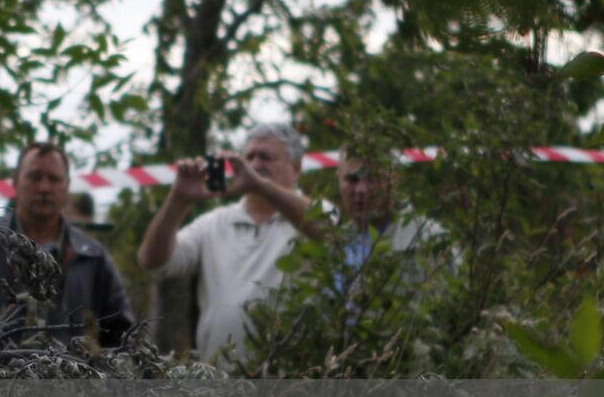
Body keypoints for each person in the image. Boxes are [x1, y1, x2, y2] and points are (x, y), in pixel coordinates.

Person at [0, 142, 135, 356]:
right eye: (35, 177)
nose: (44, 188)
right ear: (15, 182)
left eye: (54, 179)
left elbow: (123, 339)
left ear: (67, 186)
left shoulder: (93, 257)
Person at [137, 123, 316, 361]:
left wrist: (261, 186)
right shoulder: (214, 223)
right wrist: (178, 200)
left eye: (266, 157)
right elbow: (152, 261)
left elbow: (331, 232)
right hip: (219, 383)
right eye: (249, 156)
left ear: (296, 168)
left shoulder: (312, 216)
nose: (255, 165)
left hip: (292, 380)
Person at [332, 151, 447, 310]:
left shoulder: (428, 239)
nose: (361, 189)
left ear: (395, 179)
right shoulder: (332, 245)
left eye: (372, 178)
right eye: (352, 179)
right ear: (338, 179)